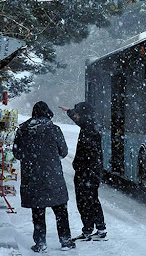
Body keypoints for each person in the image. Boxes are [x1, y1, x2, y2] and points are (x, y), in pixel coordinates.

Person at [13, 101, 76, 253]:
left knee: (38, 213)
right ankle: (66, 241)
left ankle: (40, 243)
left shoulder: (23, 130)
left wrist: (31, 159)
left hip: (32, 178)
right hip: (53, 177)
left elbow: (17, 153)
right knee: (61, 211)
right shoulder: (54, 129)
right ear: (47, 113)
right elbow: (64, 151)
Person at [59, 102, 107, 241]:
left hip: (86, 171)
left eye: (78, 112)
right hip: (92, 171)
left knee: (84, 201)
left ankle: (87, 230)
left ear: (83, 114)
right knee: (92, 199)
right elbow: (80, 120)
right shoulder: (92, 124)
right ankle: (100, 228)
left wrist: (79, 166)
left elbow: (87, 152)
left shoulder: (89, 127)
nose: (77, 115)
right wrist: (69, 111)